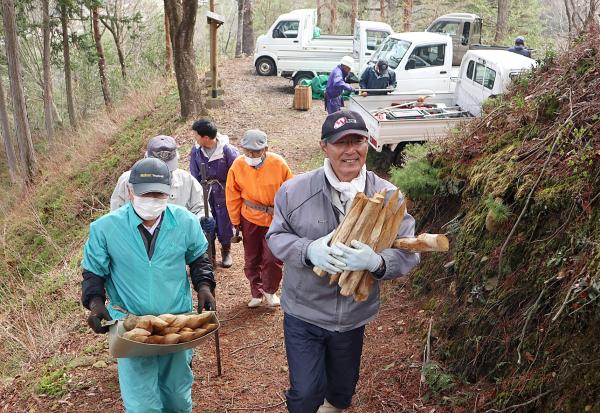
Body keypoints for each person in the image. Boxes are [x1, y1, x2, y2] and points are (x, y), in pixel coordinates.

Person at [266, 110, 420, 413]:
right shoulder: (295, 191)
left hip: (352, 316)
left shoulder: (389, 196)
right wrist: (309, 251)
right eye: (341, 142)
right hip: (304, 312)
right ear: (324, 146)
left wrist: (377, 262)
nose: (350, 150)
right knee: (306, 392)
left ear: (368, 143)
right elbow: (275, 238)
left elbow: (409, 251)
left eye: (358, 141)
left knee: (340, 392)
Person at [82, 157, 216, 413]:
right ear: (130, 191)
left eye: (159, 194)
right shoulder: (105, 229)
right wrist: (96, 304)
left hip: (176, 322)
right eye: (146, 193)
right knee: (142, 404)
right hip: (131, 326)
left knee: (177, 397)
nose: (152, 200)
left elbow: (199, 259)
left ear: (169, 193)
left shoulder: (185, 221)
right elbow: (93, 273)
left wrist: (205, 287)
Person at [225, 129, 293, 308]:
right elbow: (232, 195)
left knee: (272, 258)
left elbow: (291, 191)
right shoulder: (238, 165)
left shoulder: (278, 164)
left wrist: (290, 217)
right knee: (251, 258)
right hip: (250, 218)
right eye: (247, 151)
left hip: (275, 219)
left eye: (255, 151)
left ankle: (270, 290)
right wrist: (235, 221)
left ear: (265, 149)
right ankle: (256, 291)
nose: (250, 155)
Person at [111, 135, 216, 237]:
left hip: (176, 242)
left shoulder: (186, 180)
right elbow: (116, 215)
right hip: (135, 241)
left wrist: (202, 219)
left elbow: (200, 207)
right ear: (146, 158)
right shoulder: (127, 181)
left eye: (168, 169)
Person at [190, 119, 240, 268]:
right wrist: (197, 191)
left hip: (224, 192)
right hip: (205, 191)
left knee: (224, 221)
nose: (195, 138)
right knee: (207, 220)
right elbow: (194, 173)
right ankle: (209, 255)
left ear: (206, 137)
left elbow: (237, 173)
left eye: (196, 135)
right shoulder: (197, 151)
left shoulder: (228, 151)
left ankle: (226, 251)